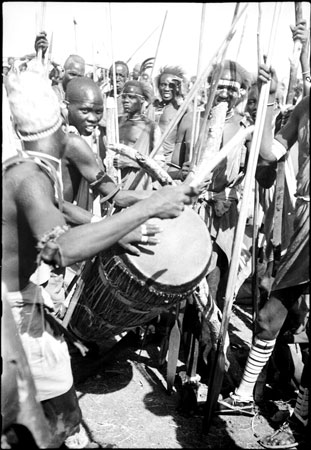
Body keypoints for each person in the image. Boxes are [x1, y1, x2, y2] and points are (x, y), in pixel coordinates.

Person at [3, 68, 199, 448]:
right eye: (84, 112)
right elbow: (59, 248)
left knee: (58, 412)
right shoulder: (28, 175)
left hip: (26, 301)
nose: (91, 121)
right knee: (51, 421)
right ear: (63, 113)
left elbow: (112, 195)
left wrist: (168, 194)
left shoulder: (38, 162)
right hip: (13, 312)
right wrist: (147, 209)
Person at [217, 63, 309, 449]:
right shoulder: (306, 104)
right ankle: (243, 395)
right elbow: (273, 149)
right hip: (304, 219)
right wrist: (267, 104)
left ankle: (302, 417)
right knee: (271, 315)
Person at [111, 79, 165, 189]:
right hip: (115, 183)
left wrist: (129, 163)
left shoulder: (151, 128)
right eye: (124, 96)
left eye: (131, 97)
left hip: (138, 185)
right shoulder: (116, 122)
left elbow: (159, 164)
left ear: (142, 100)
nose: (126, 100)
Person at [152, 65, 187, 167]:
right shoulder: (152, 106)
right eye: (163, 85)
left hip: (167, 162)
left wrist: (183, 93)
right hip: (148, 158)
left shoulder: (181, 108)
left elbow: (193, 118)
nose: (166, 89)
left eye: (171, 85)